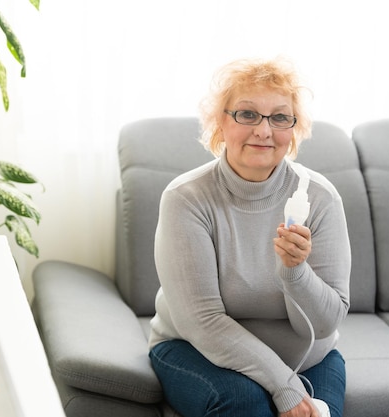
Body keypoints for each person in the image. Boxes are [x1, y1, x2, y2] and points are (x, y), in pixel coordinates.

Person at [148, 57, 351, 417]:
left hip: (308, 358)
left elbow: (325, 323)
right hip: (198, 350)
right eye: (247, 114)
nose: (263, 130)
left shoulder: (320, 198)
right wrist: (283, 386)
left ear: (294, 128)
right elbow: (203, 320)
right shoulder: (186, 199)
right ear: (220, 122)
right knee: (247, 404)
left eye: (279, 117)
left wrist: (294, 272)